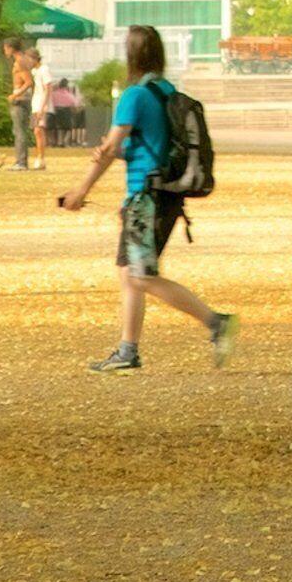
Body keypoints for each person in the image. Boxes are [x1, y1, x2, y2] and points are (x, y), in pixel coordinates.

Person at [61, 23, 238, 373]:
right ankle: (128, 350)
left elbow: (111, 147)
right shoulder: (165, 90)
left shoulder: (134, 96)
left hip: (146, 197)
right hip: (166, 194)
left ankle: (217, 322)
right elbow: (145, 145)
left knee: (141, 276)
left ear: (131, 54)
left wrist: (81, 190)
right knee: (129, 273)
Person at [7, 37, 43, 170]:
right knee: (20, 131)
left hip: (20, 100)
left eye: (6, 48)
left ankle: (21, 162)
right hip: (25, 99)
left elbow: (28, 82)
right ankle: (21, 161)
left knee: (19, 131)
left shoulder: (19, 62)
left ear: (10, 48)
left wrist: (15, 95)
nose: (5, 51)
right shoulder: (26, 60)